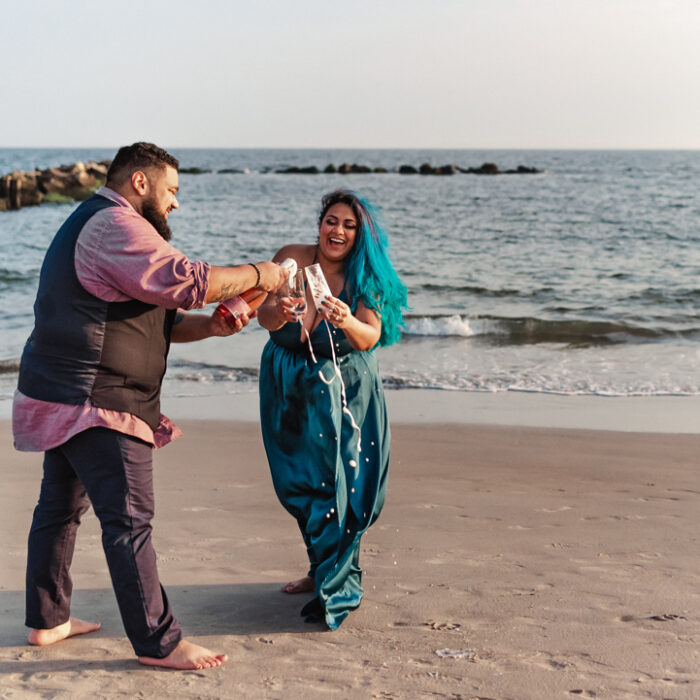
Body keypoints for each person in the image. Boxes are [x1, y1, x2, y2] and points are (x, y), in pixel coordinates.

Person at [13, 142, 287, 670]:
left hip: (64, 393)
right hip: (98, 400)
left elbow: (151, 318)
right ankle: (159, 643)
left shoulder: (94, 223)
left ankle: (48, 621)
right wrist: (262, 272)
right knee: (130, 522)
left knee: (59, 511)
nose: (176, 204)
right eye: (172, 191)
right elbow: (189, 281)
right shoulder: (116, 225)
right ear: (140, 183)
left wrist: (212, 325)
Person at [257, 189, 408, 629]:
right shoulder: (289, 259)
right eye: (331, 220)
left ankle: (337, 580)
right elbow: (264, 319)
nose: (336, 231)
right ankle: (320, 567)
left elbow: (370, 337)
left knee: (344, 482)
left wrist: (344, 318)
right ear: (319, 222)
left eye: (348, 225)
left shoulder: (366, 276)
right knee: (300, 483)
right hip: (288, 384)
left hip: (346, 387)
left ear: (360, 234)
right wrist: (281, 312)